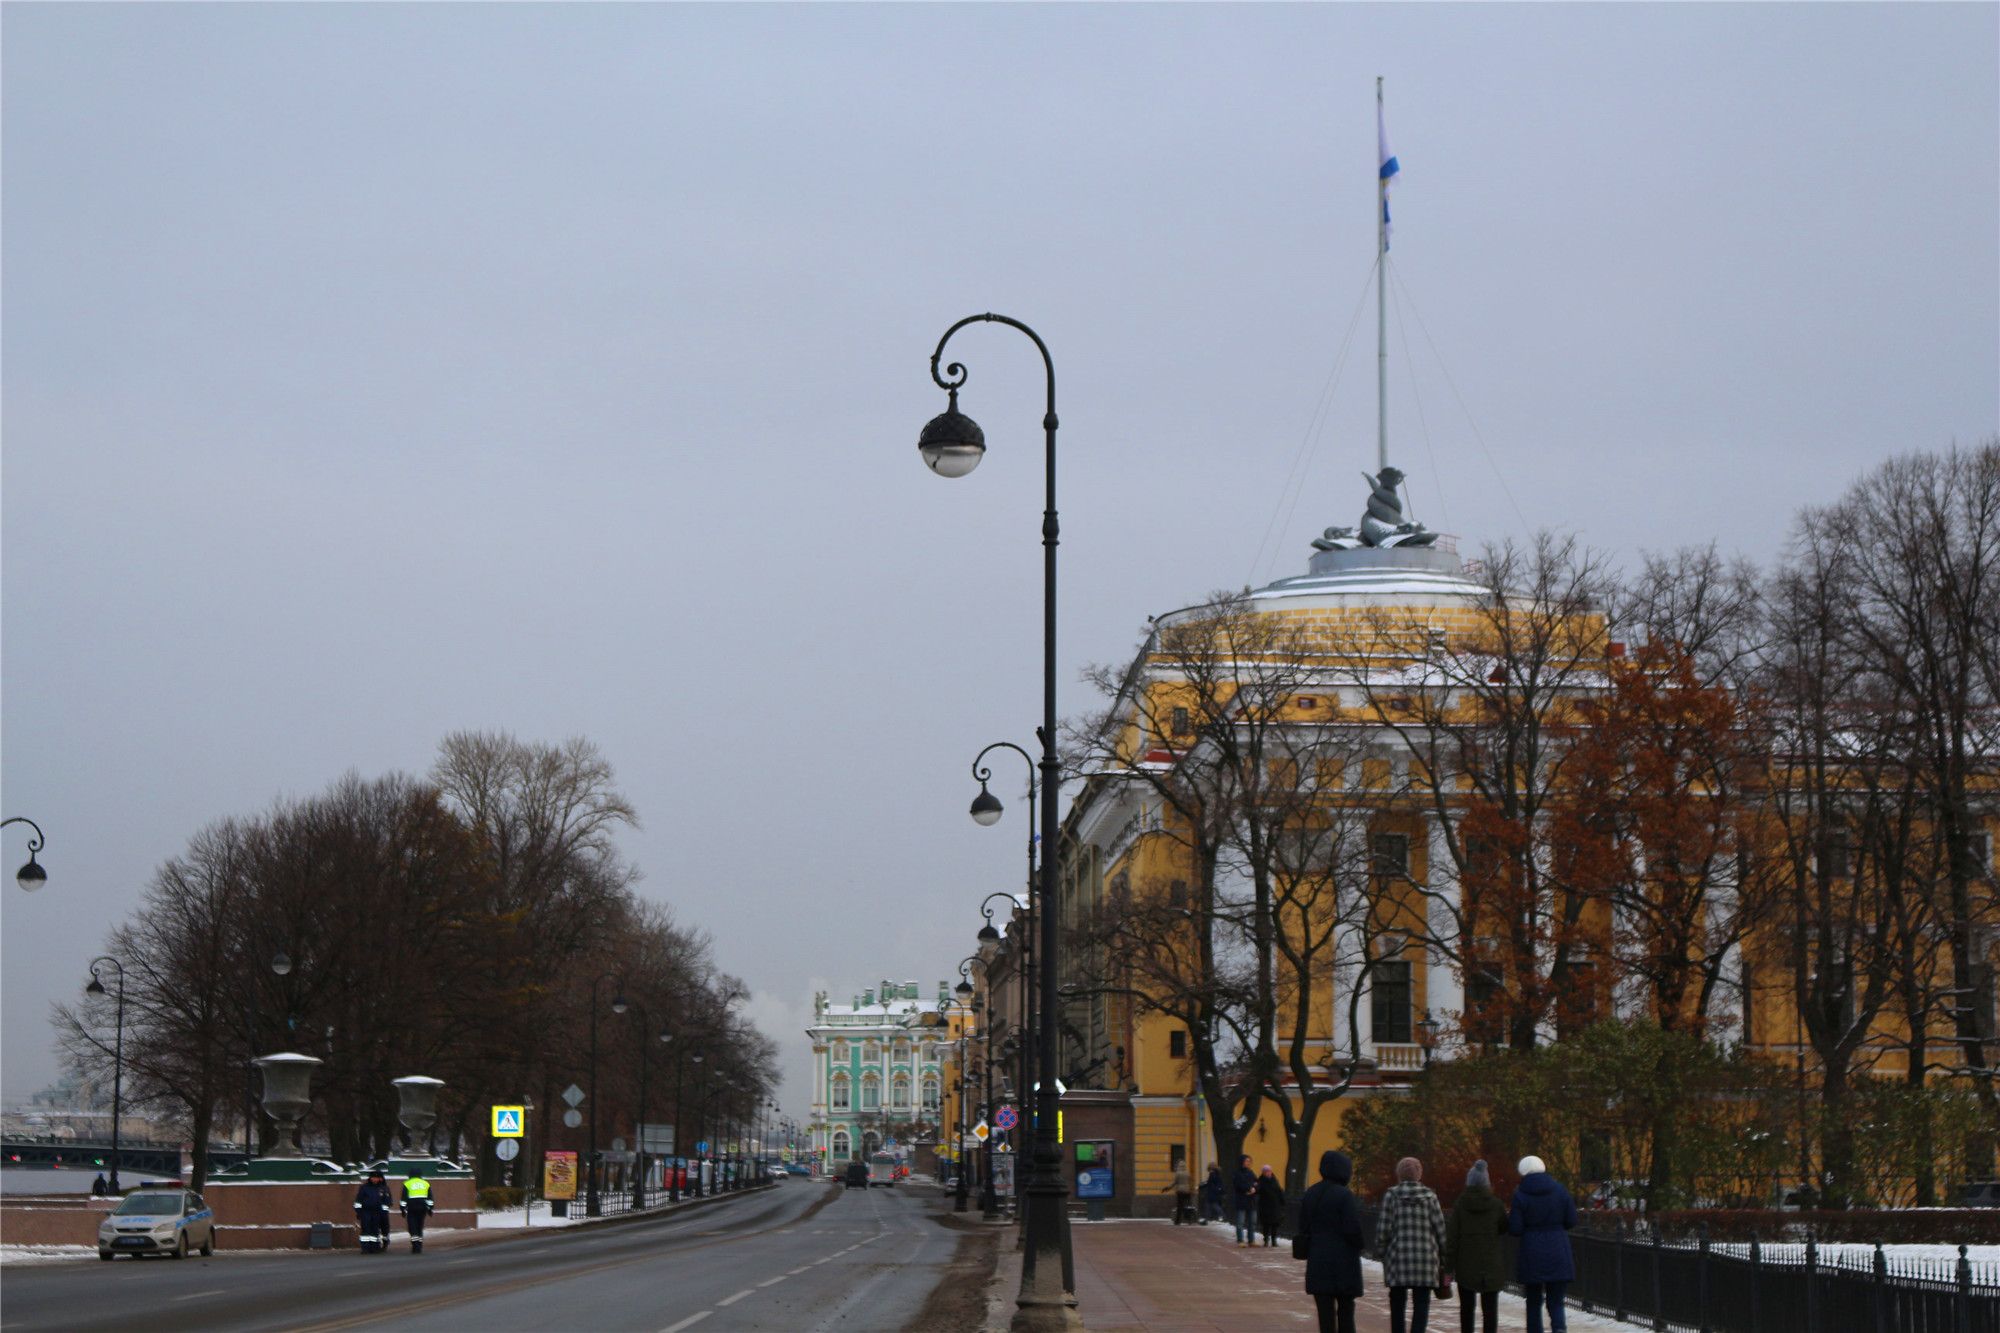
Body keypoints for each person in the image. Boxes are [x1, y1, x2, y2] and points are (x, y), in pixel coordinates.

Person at [1296, 1149, 1366, 1333]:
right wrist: (1360, 1244)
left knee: (1325, 1313)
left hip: (1318, 1258)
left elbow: (1303, 1226)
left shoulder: (1311, 1193)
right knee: (1346, 1311)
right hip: (1344, 1261)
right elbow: (1352, 1227)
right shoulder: (1344, 1195)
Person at [1509, 1155, 1578, 1333]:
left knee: (1533, 1301)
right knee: (1556, 1301)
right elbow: (1571, 1220)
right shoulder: (1560, 1190)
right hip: (1558, 1250)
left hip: (1532, 1253)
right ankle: (1559, 1329)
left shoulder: (1520, 1194)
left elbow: (1515, 1228)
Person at [1378, 1156, 1447, 1333]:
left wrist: (1381, 1252)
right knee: (1422, 1302)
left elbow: (1384, 1228)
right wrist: (1444, 1255)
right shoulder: (1430, 1196)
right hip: (1425, 1259)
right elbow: (1440, 1228)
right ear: (1419, 1174)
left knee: (1397, 1302)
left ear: (1400, 1174)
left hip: (1398, 1258)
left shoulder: (1391, 1195)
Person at [1446, 1160, 1507, 1333]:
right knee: (1490, 1310)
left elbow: (1452, 1239)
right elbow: (1503, 1228)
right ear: (1487, 1183)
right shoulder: (1496, 1205)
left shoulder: (1460, 1205)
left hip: (1466, 1264)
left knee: (1466, 1309)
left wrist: (1447, 1271)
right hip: (1491, 1263)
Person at [353, 1170, 393, 1254]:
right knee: (365, 1229)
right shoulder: (364, 1188)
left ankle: (374, 1247)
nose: (375, 1179)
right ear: (370, 1178)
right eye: (373, 1177)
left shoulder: (382, 1188)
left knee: (375, 1230)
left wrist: (383, 1212)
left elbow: (387, 1202)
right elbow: (358, 1200)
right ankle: (365, 1247)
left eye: (376, 1178)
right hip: (366, 1211)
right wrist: (358, 1211)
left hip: (377, 1212)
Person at [399, 1167, 433, 1254]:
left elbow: (403, 1198)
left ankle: (415, 1245)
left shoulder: (408, 1183)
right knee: (419, 1226)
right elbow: (430, 1198)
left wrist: (402, 1209)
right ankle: (420, 1244)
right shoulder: (425, 1184)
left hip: (412, 1207)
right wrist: (430, 1209)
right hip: (422, 1208)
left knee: (412, 1226)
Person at [1231, 1154, 1261, 1246]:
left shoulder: (1251, 1173)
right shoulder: (1237, 1173)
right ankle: (1240, 1240)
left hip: (1251, 1201)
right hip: (1242, 1200)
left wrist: (1254, 1188)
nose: (1248, 1163)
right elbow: (1238, 1184)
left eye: (1249, 1161)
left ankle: (1251, 1240)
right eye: (1246, 1161)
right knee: (1240, 1222)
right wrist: (1249, 1187)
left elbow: (1258, 1183)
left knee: (1252, 1222)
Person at [1256, 1164, 1286, 1246]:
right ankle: (1266, 1240)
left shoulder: (1275, 1181)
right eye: (1266, 1171)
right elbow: (1257, 1191)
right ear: (1263, 1173)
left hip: (1274, 1205)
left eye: (1269, 1171)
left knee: (1274, 1224)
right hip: (1265, 1206)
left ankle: (1274, 1240)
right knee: (1266, 1224)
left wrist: (1282, 1201)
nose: (1268, 1173)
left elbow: (1279, 1191)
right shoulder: (1260, 1181)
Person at [1164, 1160, 1195, 1225]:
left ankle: (1178, 1221)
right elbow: (1191, 1181)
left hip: (1180, 1191)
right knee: (1186, 1205)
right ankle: (1189, 1219)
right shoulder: (1187, 1173)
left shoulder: (1178, 1173)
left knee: (1180, 1206)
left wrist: (1168, 1188)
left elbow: (1174, 1183)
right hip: (1187, 1191)